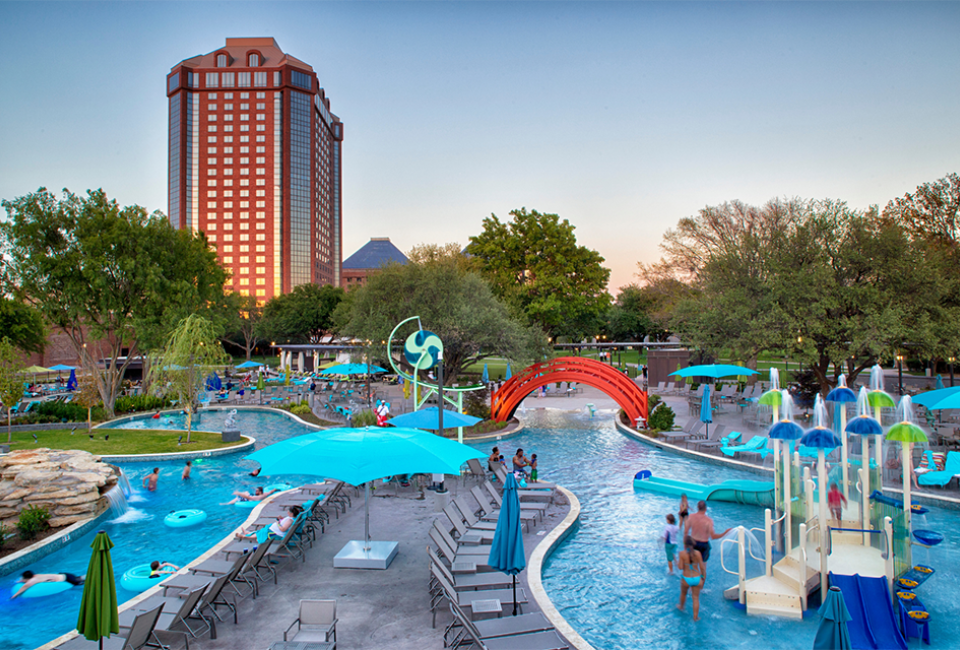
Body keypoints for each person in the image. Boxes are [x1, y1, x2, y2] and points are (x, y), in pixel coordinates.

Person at [676, 536, 706, 621]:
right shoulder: (698, 553)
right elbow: (702, 568)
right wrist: (703, 578)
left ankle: (681, 607)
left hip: (686, 579)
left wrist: (679, 562)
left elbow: (680, 567)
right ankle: (695, 617)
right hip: (697, 579)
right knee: (696, 598)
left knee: (683, 593)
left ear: (685, 544)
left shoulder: (682, 553)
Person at [235, 505, 303, 540]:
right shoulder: (292, 518)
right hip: (274, 531)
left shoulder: (290, 520)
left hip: (277, 534)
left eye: (288, 512)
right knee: (262, 531)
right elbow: (286, 524)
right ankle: (248, 533)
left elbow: (283, 529)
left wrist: (277, 522)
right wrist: (281, 518)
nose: (287, 512)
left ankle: (244, 536)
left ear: (291, 513)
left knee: (263, 533)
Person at [11, 571, 84, 599]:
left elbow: (25, 586)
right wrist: (20, 581)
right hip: (65, 575)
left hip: (67, 579)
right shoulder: (35, 575)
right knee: (80, 578)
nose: (23, 580)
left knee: (82, 582)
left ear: (27, 578)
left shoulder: (33, 580)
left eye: (23, 579)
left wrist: (15, 595)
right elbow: (25, 581)